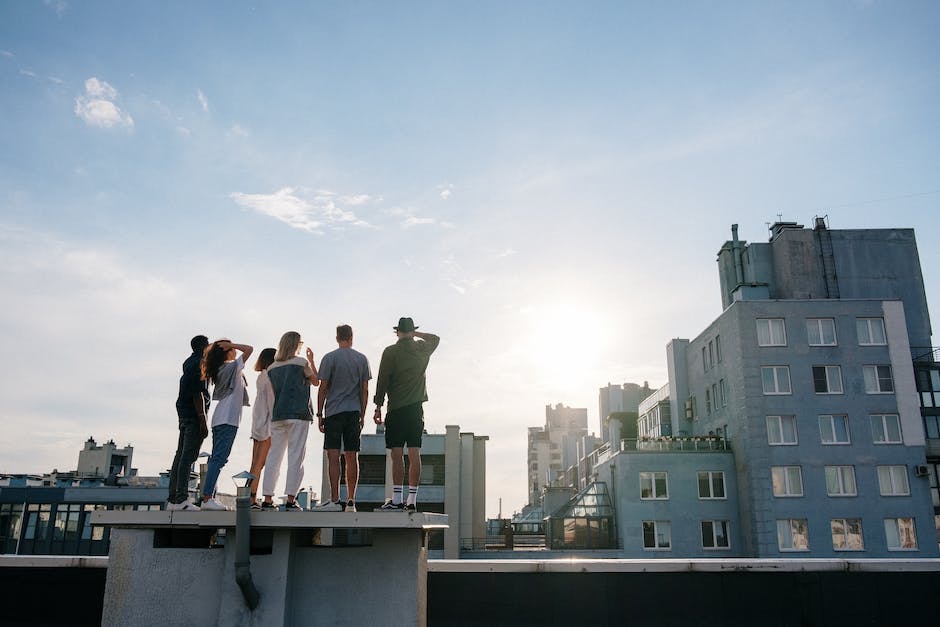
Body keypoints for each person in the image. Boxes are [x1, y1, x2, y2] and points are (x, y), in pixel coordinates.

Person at [373, 317, 439, 512]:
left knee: (396, 454)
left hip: (396, 409)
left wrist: (378, 406)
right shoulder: (421, 349)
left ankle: (396, 499)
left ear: (397, 332)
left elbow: (382, 379)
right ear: (411, 331)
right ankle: (412, 500)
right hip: (416, 409)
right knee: (414, 452)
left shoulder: (390, 352)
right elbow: (435, 338)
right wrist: (415, 334)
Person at [314, 325, 372, 513]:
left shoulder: (329, 358)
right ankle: (351, 500)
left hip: (333, 412)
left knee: (333, 456)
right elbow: (364, 390)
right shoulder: (361, 359)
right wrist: (362, 415)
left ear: (337, 337)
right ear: (352, 337)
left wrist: (319, 413)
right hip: (353, 411)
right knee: (352, 455)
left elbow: (323, 387)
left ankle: (334, 499)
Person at [261, 331, 318, 511]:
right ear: (296, 345)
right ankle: (291, 500)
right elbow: (316, 381)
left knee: (274, 457)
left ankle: (268, 498)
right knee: (295, 457)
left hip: (278, 415)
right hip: (298, 414)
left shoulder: (271, 368)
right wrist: (312, 360)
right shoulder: (301, 363)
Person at [200, 339, 254, 511]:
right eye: (230, 348)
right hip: (227, 419)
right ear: (226, 351)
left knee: (217, 459)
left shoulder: (225, 368)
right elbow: (250, 349)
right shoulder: (231, 367)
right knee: (219, 459)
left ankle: (210, 496)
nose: (234, 350)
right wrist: (235, 345)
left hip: (222, 418)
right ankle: (208, 497)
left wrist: (230, 346)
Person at [167, 335, 210, 511]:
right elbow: (198, 393)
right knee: (188, 457)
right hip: (193, 415)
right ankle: (181, 499)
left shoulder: (188, 363)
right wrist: (203, 420)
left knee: (180, 456)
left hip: (183, 413)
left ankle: (173, 499)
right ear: (204, 347)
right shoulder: (200, 363)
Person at [248, 347, 277, 509]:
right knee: (260, 463)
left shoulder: (261, 377)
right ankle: (251, 498)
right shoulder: (270, 378)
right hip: (267, 425)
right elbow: (272, 404)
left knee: (256, 463)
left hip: (258, 424)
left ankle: (249, 495)